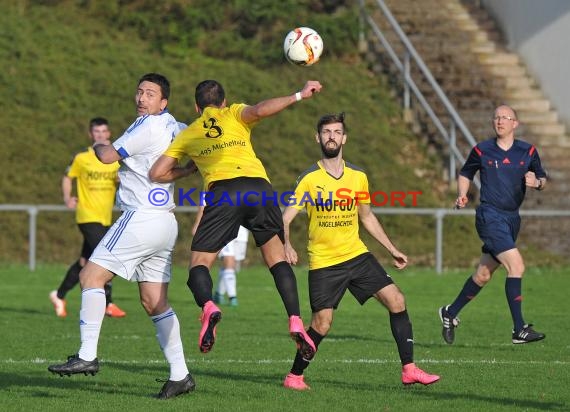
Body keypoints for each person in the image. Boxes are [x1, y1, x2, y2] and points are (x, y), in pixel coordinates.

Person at [149, 79, 322, 360]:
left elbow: (157, 173)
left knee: (199, 264)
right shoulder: (234, 114)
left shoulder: (189, 133)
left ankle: (208, 307)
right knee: (277, 259)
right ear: (224, 102)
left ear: (196, 107)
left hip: (224, 192)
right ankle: (295, 320)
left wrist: (187, 171)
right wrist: (299, 95)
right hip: (259, 188)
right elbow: (260, 110)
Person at [48, 73, 196, 399]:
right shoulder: (177, 125)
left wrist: (100, 143)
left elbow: (107, 157)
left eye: (150, 94)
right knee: (154, 302)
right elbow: (198, 153)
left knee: (90, 277)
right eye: (140, 91)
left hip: (139, 218)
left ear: (163, 102)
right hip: (165, 223)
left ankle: (87, 355)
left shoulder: (148, 126)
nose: (142, 98)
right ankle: (181, 375)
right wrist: (188, 171)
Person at [281, 112, 440, 390]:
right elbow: (285, 218)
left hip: (357, 255)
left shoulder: (358, 177)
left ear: (345, 138)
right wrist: (286, 243)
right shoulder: (308, 179)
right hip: (325, 263)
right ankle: (295, 376)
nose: (332, 136)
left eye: (337, 132)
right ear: (317, 138)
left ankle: (409, 369)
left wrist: (392, 249)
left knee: (397, 301)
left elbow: (366, 216)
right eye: (326, 132)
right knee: (322, 324)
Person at [439, 104, 547, 345]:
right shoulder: (482, 150)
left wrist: (537, 182)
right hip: (489, 216)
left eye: (505, 118)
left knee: (484, 274)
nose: (499, 121)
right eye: (496, 118)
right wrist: (462, 194)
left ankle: (449, 312)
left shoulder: (528, 151)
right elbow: (465, 173)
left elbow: (542, 178)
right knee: (516, 266)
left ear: (514, 123)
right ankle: (519, 329)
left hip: (512, 218)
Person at [49, 118, 126, 319]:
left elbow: (122, 180)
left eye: (103, 131)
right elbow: (68, 177)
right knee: (107, 254)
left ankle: (59, 295)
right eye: (96, 132)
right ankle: (108, 303)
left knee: (85, 261)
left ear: (109, 134)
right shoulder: (82, 157)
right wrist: (67, 197)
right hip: (87, 215)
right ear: (91, 134)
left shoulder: (112, 159)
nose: (100, 135)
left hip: (105, 217)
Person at [192, 205, 249, 307]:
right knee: (229, 261)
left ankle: (218, 293)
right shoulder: (214, 188)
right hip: (223, 227)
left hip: (242, 230)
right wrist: (197, 223)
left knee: (232, 265)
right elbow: (203, 203)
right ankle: (233, 297)